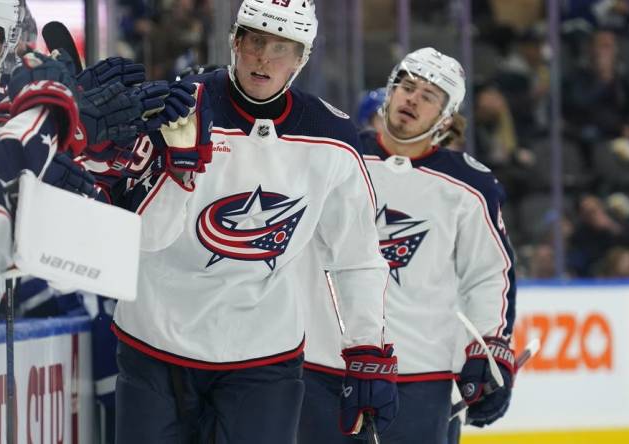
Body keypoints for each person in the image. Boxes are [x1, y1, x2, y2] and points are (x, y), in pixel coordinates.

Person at [108, 0, 397, 442]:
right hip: (156, 343)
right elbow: (142, 239)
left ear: (301, 59)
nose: (265, 57)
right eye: (256, 41)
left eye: (282, 48)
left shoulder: (331, 137)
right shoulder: (178, 108)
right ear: (236, 42)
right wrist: (177, 173)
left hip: (263, 355)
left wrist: (366, 347)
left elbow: (357, 254)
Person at [299, 47, 518, 444]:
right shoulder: (338, 154)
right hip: (322, 363)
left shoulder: (470, 187)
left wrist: (489, 347)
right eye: (407, 86)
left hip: (420, 376)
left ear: (446, 118)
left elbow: (489, 275)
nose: (412, 98)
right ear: (390, 91)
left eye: (429, 95)